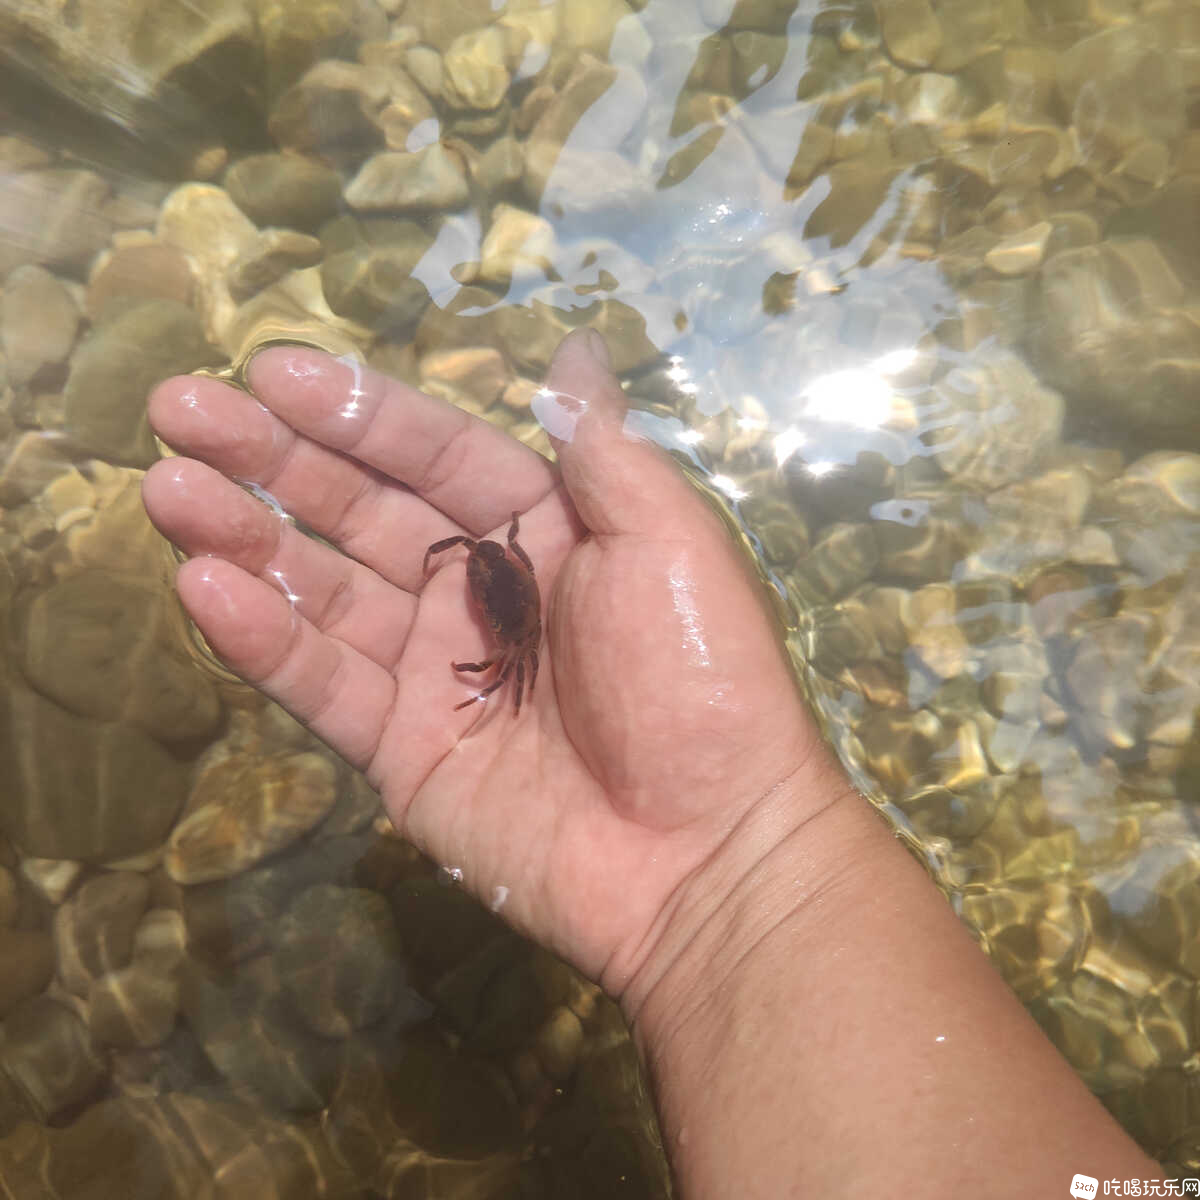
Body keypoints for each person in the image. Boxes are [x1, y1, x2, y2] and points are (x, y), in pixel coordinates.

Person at [143, 329, 1164, 1198]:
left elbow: (504, 616)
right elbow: (486, 585)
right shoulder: (494, 575)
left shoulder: (514, 610)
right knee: (498, 626)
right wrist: (740, 885)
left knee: (504, 638)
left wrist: (736, 872)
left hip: (517, 607)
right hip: (508, 593)